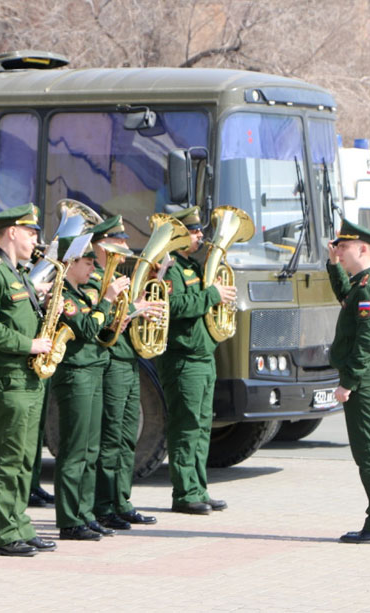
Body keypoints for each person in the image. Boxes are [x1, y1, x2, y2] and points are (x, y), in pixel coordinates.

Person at [0, 202, 57, 557]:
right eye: (31, 232)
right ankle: (5, 533)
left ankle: (20, 524)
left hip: (28, 377)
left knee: (24, 457)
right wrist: (30, 344)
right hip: (8, 377)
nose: (35, 239)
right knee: (8, 456)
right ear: (12, 232)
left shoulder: (17, 272)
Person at [154, 206, 236, 515]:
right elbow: (172, 306)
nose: (200, 234)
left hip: (203, 356)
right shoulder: (170, 267)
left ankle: (199, 487)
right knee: (186, 427)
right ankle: (185, 493)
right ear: (178, 235)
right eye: (193, 230)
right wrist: (212, 296)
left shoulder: (192, 266)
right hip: (183, 358)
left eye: (200, 230)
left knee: (202, 427)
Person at [51, 235, 128, 541]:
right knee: (75, 449)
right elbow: (83, 328)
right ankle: (70, 519)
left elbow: (95, 327)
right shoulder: (65, 296)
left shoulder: (82, 295)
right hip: (76, 375)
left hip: (93, 371)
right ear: (70, 263)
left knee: (91, 449)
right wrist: (107, 300)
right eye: (87, 262)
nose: (93, 267)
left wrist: (111, 318)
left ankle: (85, 513)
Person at [85, 216, 159, 530]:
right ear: (103, 245)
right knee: (111, 435)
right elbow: (101, 320)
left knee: (127, 436)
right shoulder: (94, 280)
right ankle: (104, 505)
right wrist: (134, 308)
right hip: (111, 360)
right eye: (120, 241)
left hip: (128, 360)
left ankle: (121, 500)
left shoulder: (118, 277)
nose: (126, 247)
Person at [327, 219, 370, 544]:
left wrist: (348, 383)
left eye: (343, 247)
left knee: (369, 452)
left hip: (365, 377)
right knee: (367, 451)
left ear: (362, 248)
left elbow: (365, 341)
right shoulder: (363, 284)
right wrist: (333, 266)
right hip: (368, 373)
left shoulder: (369, 287)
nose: (339, 251)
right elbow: (346, 296)